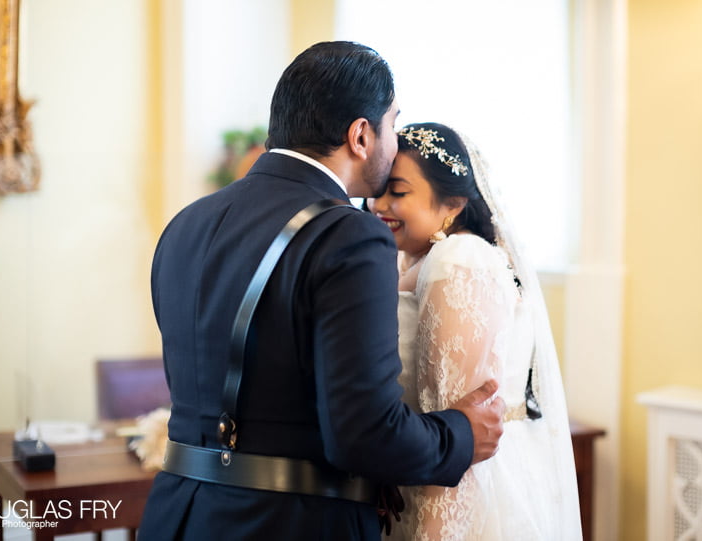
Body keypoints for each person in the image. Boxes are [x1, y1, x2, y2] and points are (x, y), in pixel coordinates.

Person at [137, 43, 505, 541]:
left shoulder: (186, 225)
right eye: (393, 125)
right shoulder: (348, 234)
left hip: (176, 516)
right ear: (361, 135)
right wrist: (462, 433)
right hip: (287, 525)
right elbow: (365, 436)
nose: (394, 143)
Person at [367, 122, 583, 540]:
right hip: (419, 477)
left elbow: (461, 428)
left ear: (453, 202)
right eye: (379, 190)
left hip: (466, 493)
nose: (379, 204)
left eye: (398, 191)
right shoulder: (413, 261)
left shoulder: (459, 260)